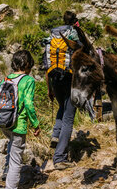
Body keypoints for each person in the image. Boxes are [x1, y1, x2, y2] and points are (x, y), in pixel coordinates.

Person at [0, 50, 41, 189]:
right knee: (16, 161)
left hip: (4, 122)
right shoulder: (28, 80)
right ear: (28, 64)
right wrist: (35, 124)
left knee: (12, 147)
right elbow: (28, 103)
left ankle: (7, 175)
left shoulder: (6, 78)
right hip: (18, 124)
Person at [43, 10, 80, 169]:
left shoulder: (52, 35)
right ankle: (60, 158)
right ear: (74, 21)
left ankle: (55, 135)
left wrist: (49, 89)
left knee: (62, 107)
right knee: (69, 117)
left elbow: (46, 66)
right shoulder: (74, 34)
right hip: (69, 78)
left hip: (54, 78)